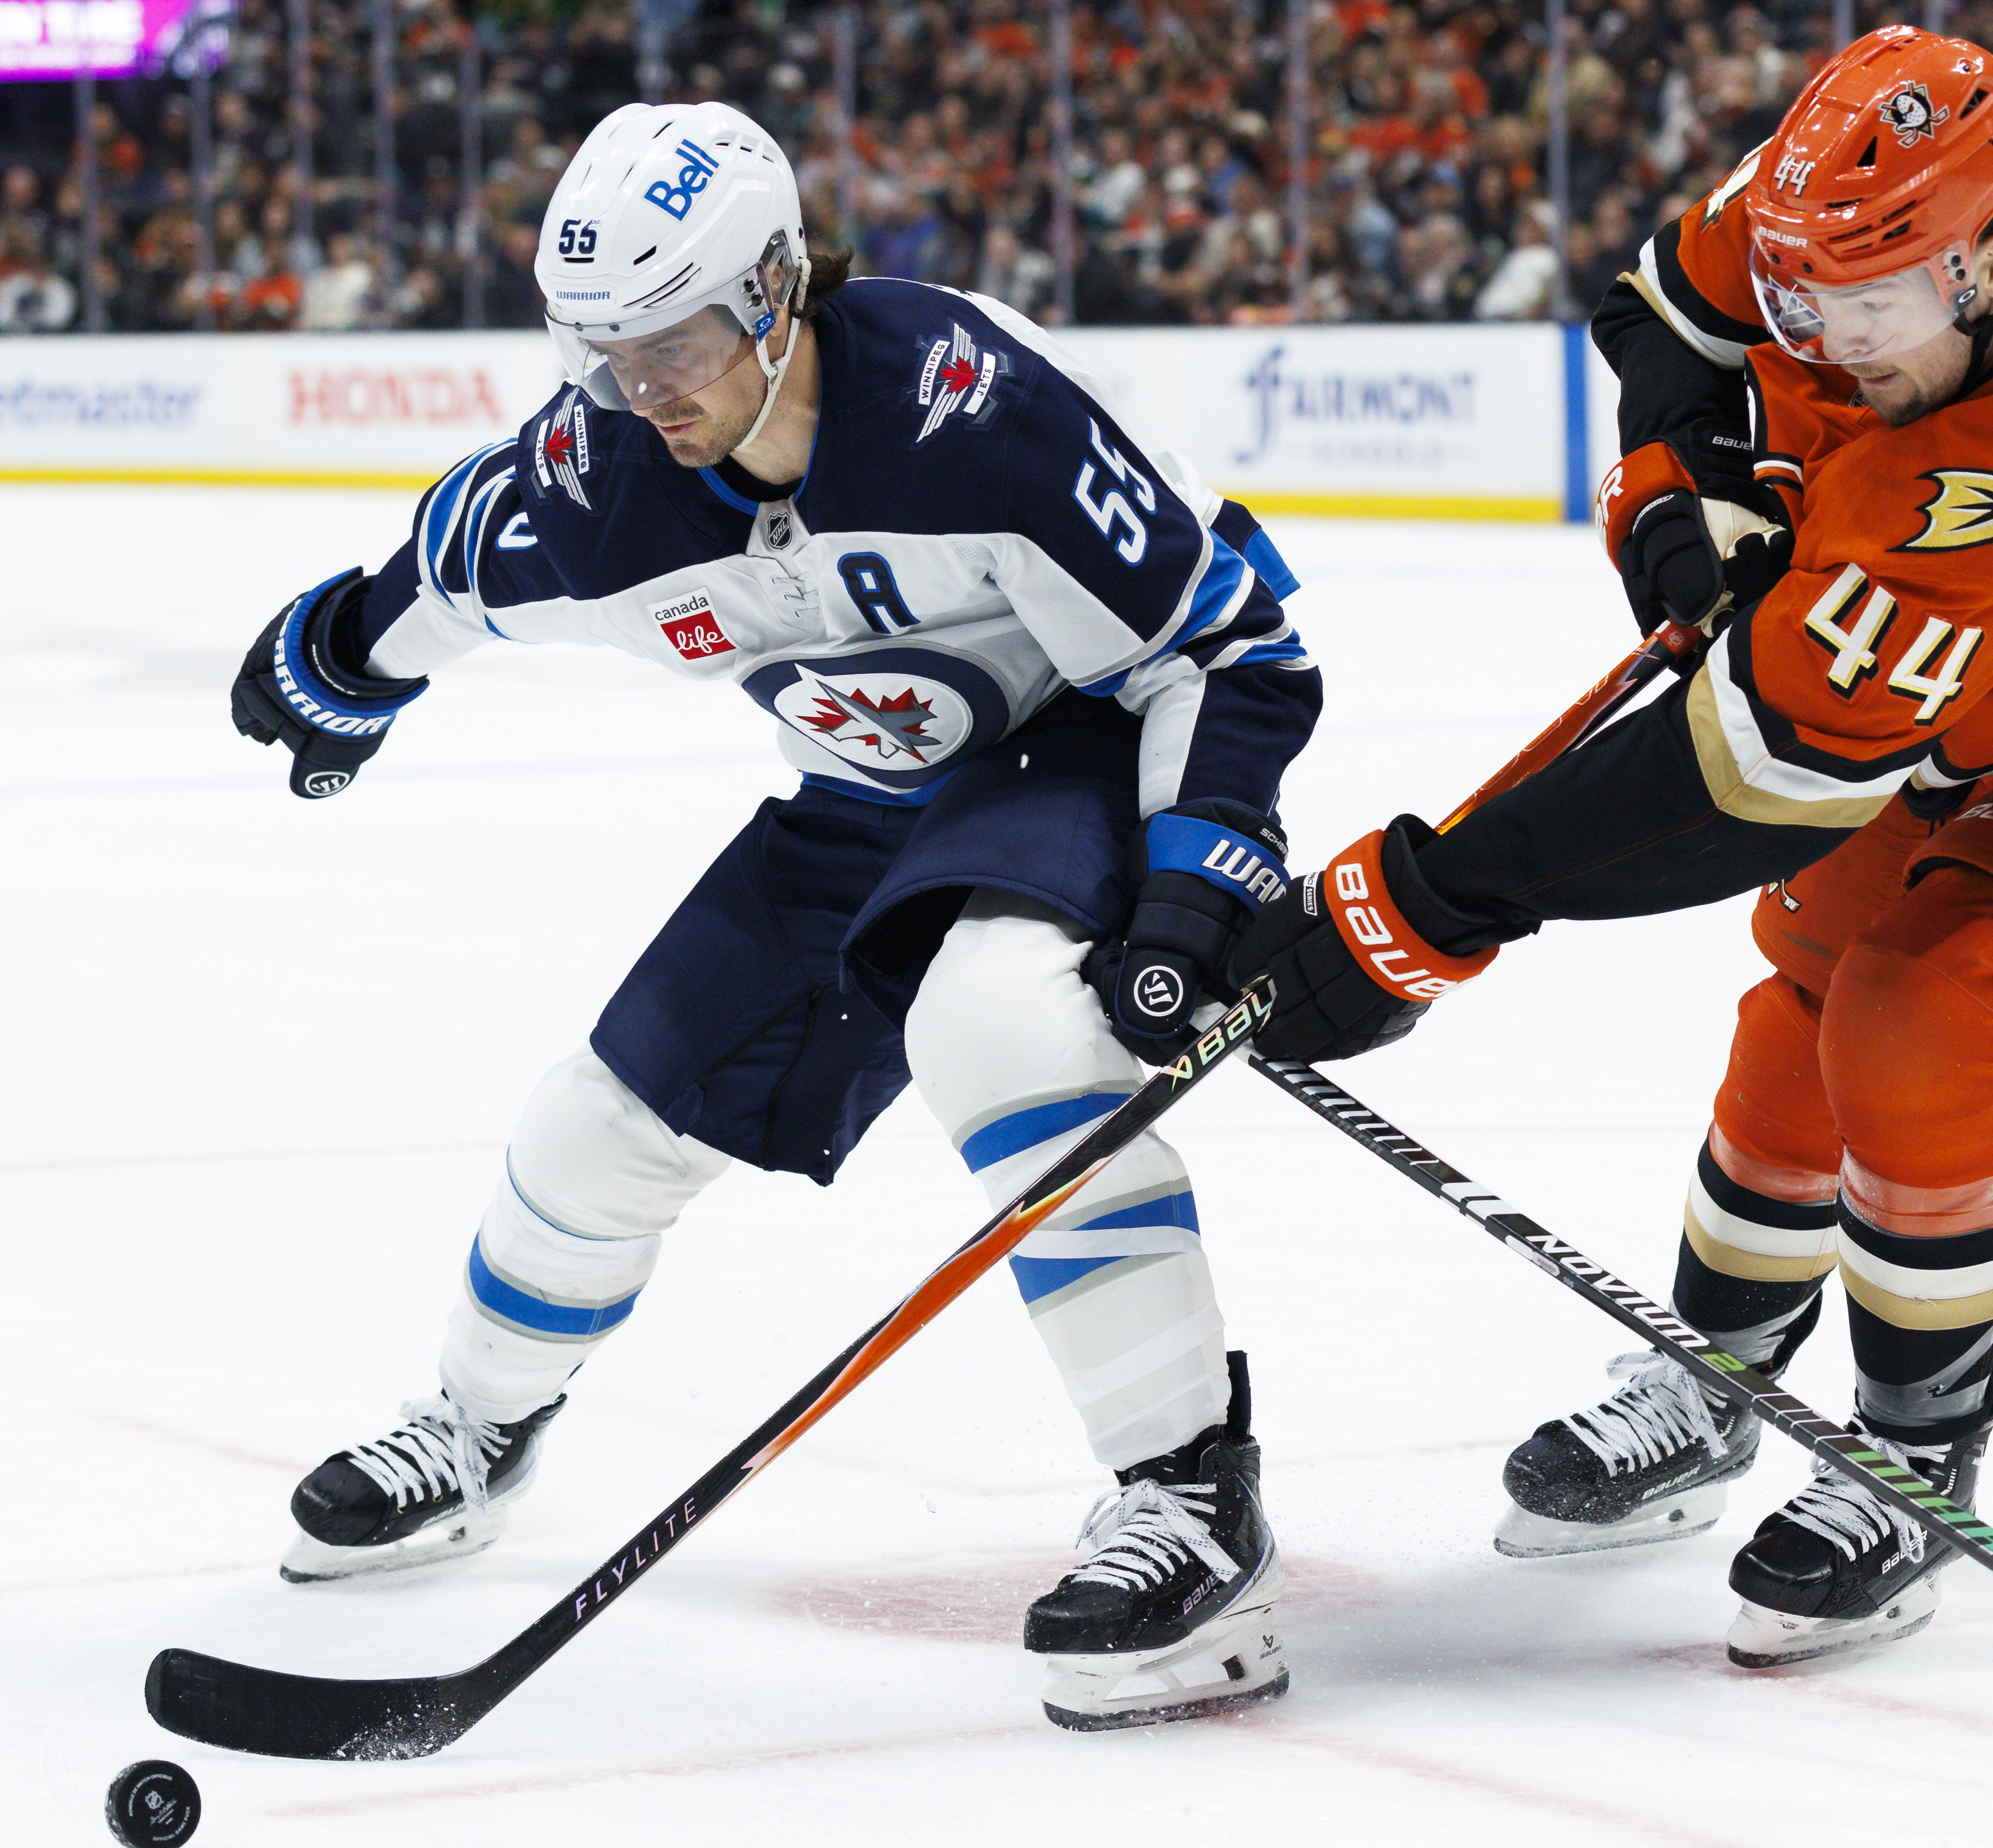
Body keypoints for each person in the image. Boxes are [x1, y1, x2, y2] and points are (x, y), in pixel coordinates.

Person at [1234, 28, 1993, 1665]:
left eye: (1868, 312)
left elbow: (1749, 785)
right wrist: (1681, 491)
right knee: (1810, 979)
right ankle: (1713, 1375)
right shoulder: (1877, 200)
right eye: (1805, 300)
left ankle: (1917, 1444)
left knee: (1923, 1002)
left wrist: (1428, 904)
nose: (1827, 346)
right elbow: (1662, 310)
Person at [229, 103, 1320, 1732]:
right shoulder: (595, 480)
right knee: (594, 1128)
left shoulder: (973, 415)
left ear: (768, 293)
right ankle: (472, 1428)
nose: (636, 392)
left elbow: (1230, 644)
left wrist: (1199, 869)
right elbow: (443, 569)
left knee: (998, 1028)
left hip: (1063, 749)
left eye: (668, 343)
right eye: (597, 352)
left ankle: (1187, 1487)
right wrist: (341, 665)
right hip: (861, 794)